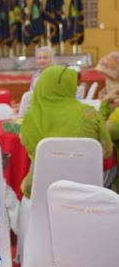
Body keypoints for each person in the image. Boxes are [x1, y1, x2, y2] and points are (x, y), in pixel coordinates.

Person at [20, 65, 112, 198]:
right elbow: (106, 152)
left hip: (39, 190)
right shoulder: (89, 113)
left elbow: (27, 146)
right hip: (85, 191)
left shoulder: (29, 117)